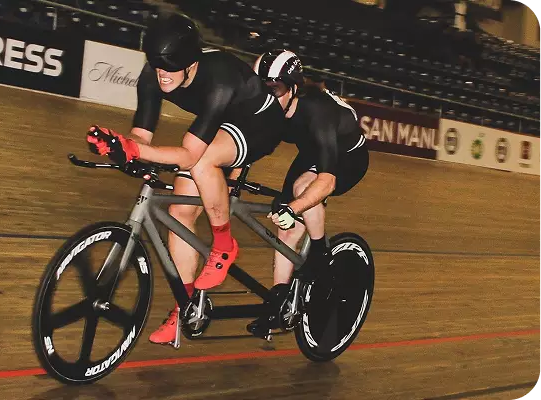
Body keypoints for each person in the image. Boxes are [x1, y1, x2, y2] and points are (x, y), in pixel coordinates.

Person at [85, 13, 288, 345]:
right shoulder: (153, 75)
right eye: (157, 64)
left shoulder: (219, 77)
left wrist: (134, 150)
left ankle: (224, 243)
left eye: (171, 65)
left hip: (259, 124)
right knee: (179, 213)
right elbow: (142, 136)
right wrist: (122, 149)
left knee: (203, 160)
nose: (162, 72)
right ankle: (186, 307)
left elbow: (191, 155)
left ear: (192, 63)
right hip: (223, 123)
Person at [249, 49, 370, 332]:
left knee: (304, 190)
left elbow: (326, 181)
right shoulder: (274, 104)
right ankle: (278, 300)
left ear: (293, 88)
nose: (267, 95)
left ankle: (319, 253)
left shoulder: (317, 111)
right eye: (261, 87)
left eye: (274, 88)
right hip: (312, 151)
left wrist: (295, 207)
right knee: (286, 227)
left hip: (346, 157)